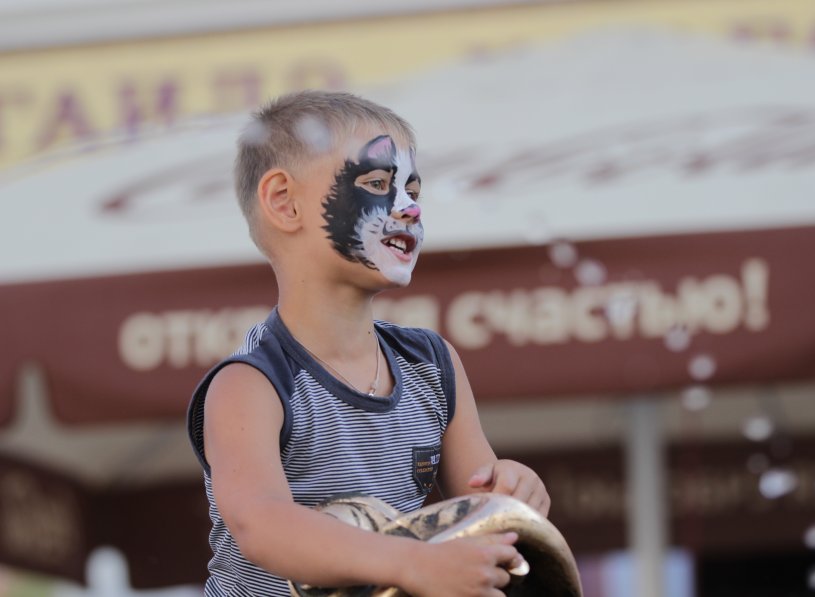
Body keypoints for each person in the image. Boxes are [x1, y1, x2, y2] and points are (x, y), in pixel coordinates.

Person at [187, 90, 550, 596]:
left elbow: (481, 516)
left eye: (413, 192)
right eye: (379, 184)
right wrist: (410, 564)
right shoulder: (249, 383)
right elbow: (261, 524)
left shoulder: (432, 364)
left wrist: (512, 492)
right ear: (284, 202)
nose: (408, 210)